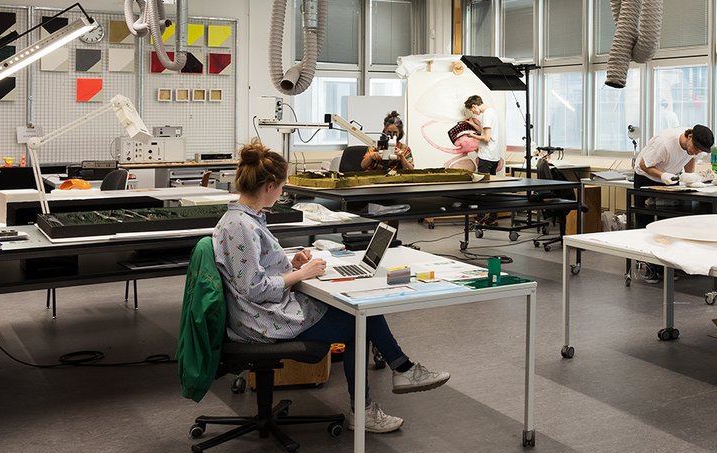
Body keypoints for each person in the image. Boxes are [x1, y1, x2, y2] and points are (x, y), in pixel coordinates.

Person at [213, 141, 449, 434]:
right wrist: (302, 275)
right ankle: (387, 387)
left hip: (265, 310)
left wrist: (292, 264)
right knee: (359, 322)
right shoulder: (241, 226)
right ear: (270, 185)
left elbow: (255, 267)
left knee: (361, 313)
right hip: (260, 321)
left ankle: (399, 374)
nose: (283, 192)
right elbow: (253, 287)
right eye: (282, 187)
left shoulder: (246, 219)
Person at [632, 123, 715, 283]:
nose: (696, 152)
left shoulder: (694, 148)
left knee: (668, 224)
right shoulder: (665, 143)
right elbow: (644, 164)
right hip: (646, 177)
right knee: (646, 223)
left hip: (670, 178)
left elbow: (690, 159)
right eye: (696, 148)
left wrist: (690, 178)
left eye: (700, 151)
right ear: (690, 136)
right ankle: (648, 266)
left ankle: (665, 266)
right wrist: (662, 176)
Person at [464, 95, 503, 175]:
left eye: (472, 110)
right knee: (491, 183)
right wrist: (473, 124)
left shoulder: (486, 115)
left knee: (483, 184)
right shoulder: (492, 112)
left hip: (486, 157)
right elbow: (485, 132)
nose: (473, 112)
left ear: (474, 106)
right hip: (494, 156)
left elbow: (486, 138)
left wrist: (472, 136)